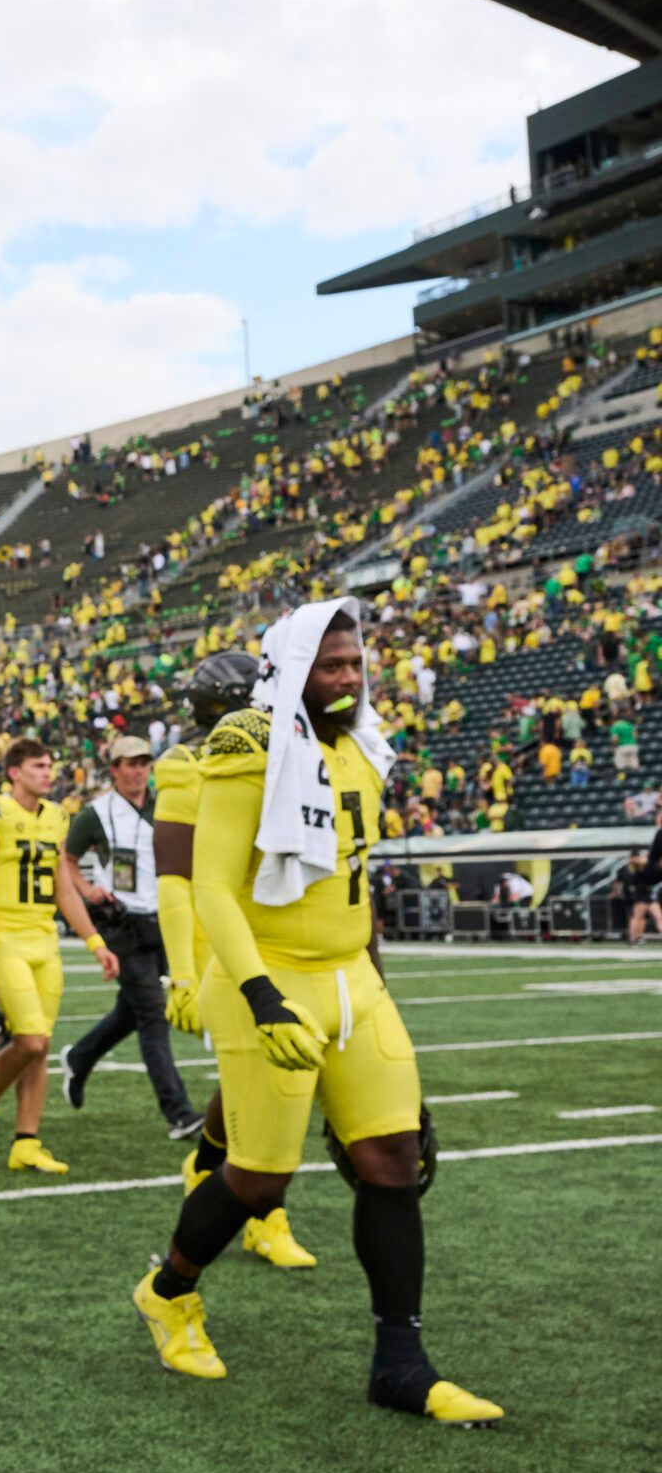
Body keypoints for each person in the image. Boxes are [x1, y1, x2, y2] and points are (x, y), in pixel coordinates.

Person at [131, 601, 501, 1425]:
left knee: (394, 1160)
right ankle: (168, 1292)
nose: (346, 678)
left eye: (355, 664)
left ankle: (400, 1360)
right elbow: (216, 886)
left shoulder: (364, 749)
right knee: (260, 1173)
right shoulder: (247, 744)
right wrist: (258, 994)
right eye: (330, 665)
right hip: (269, 973)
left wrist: (377, 992)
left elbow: (354, 889)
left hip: (350, 979)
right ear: (293, 667)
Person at [155, 652, 314, 1271]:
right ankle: (265, 1213)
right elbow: (175, 880)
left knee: (261, 1074)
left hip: (269, 930)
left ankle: (206, 1167)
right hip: (214, 936)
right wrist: (182, 974)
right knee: (269, 1077)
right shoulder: (186, 763)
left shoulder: (293, 751)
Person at [0, 739, 119, 1174]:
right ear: (14, 772)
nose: (48, 773)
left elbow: (65, 888)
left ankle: (26, 1141)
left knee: (40, 1048)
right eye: (39, 766)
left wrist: (95, 943)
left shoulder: (56, 816)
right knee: (31, 1039)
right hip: (5, 935)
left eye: (50, 765)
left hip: (44, 938)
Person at [59, 736, 201, 1138]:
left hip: (164, 918)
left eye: (143, 762)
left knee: (134, 1010)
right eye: (130, 763)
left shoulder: (166, 803)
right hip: (122, 922)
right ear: (115, 769)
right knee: (154, 1015)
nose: (138, 769)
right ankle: (179, 1112)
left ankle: (79, 1057)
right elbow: (66, 859)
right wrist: (88, 891)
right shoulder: (96, 813)